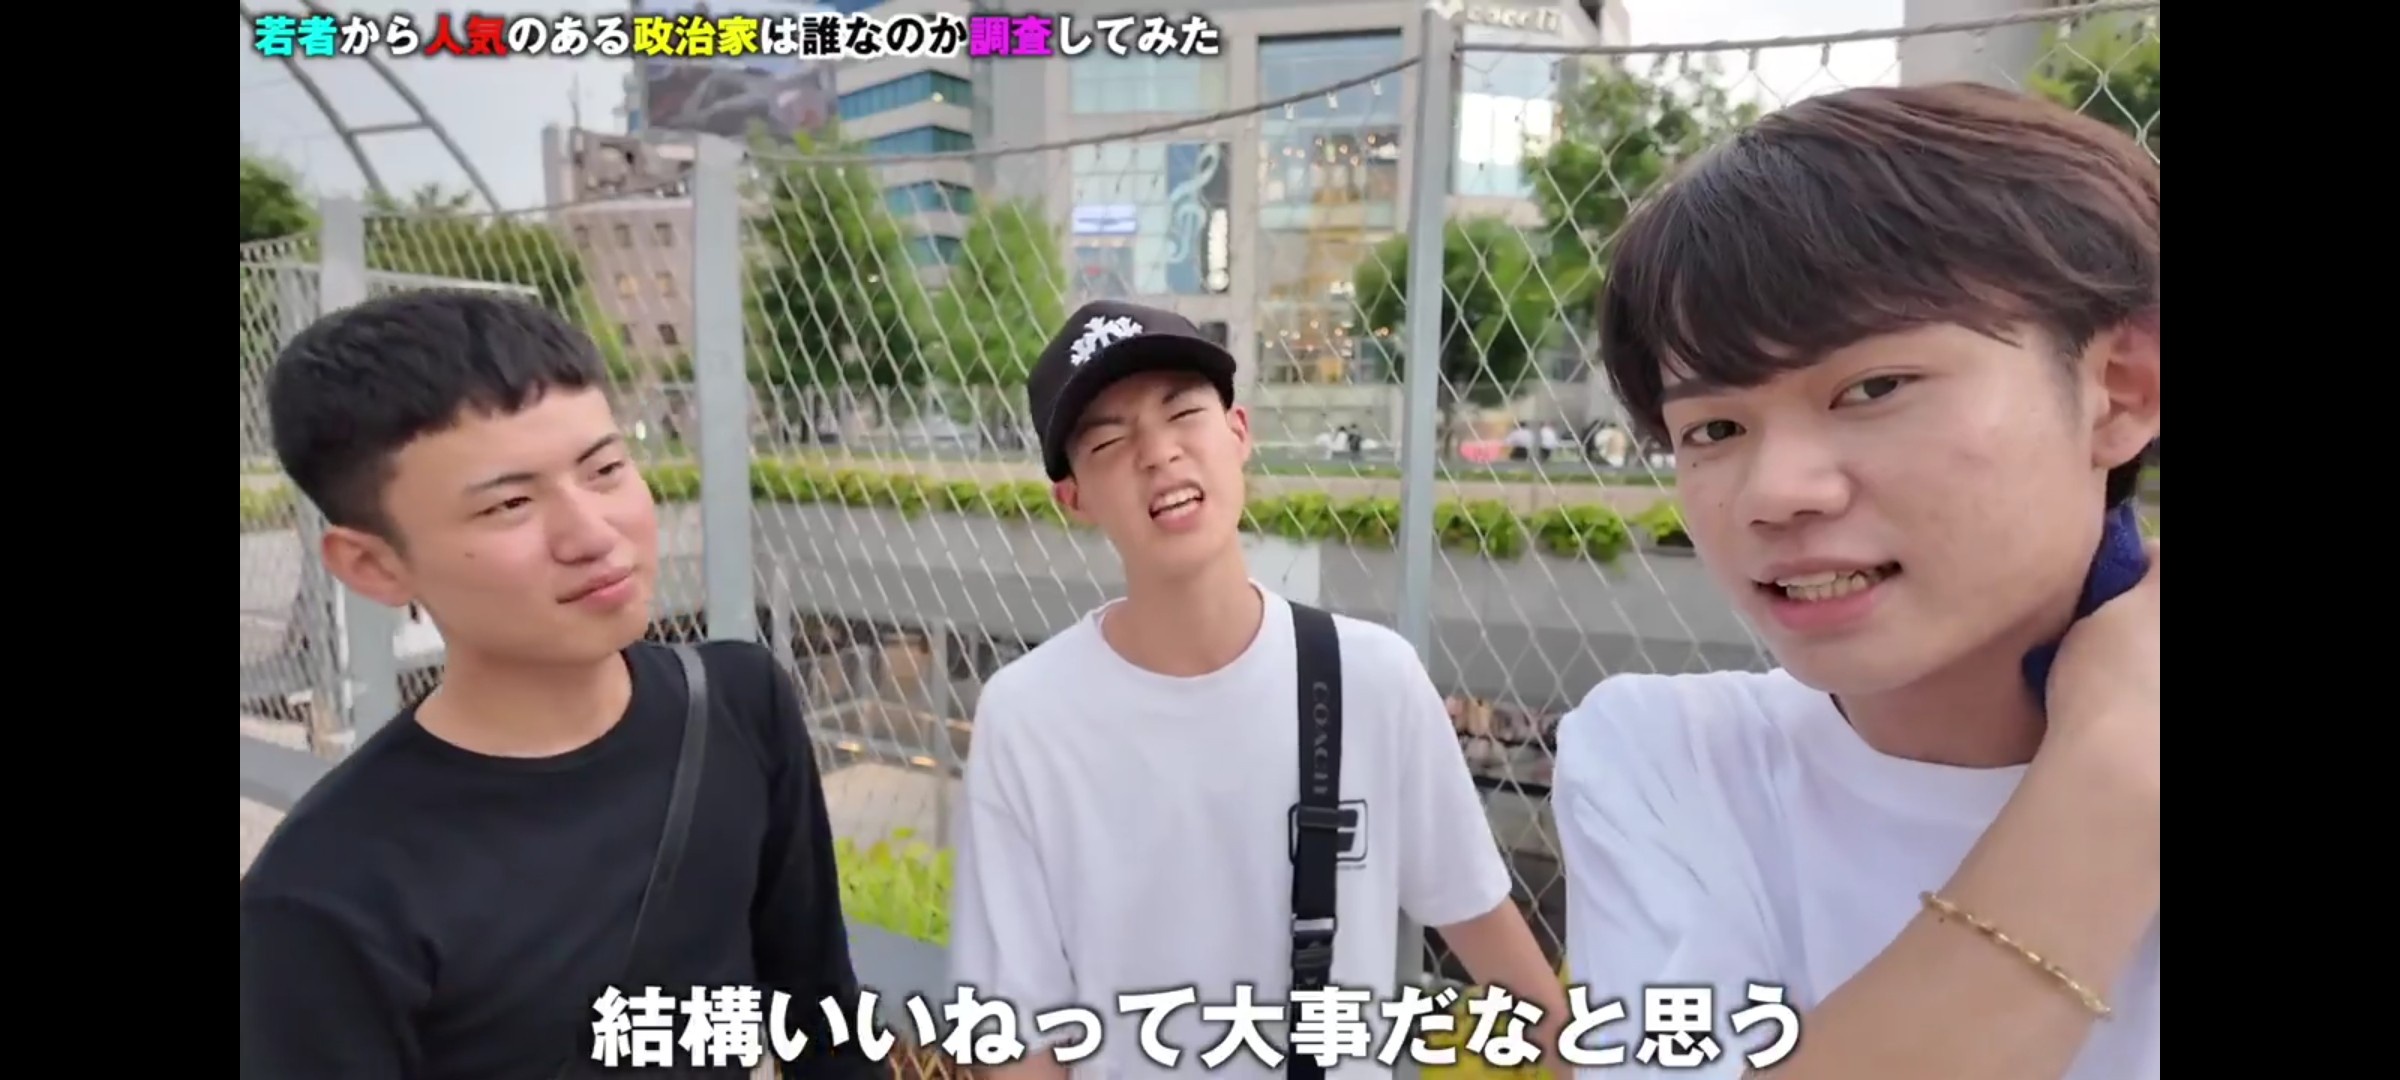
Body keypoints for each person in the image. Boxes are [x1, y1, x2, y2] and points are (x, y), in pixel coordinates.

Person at [1552, 83, 2159, 1080]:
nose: (1774, 493)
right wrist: (2117, 764)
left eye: (1874, 388)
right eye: (1715, 428)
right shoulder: (1674, 764)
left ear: (2119, 391)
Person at [239, 291, 871, 1080]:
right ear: (373, 564)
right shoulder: (325, 899)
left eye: (605, 470)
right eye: (510, 504)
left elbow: (821, 1017)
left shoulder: (740, 701)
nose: (593, 534)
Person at [949, 301, 1566, 1080]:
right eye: (1108, 441)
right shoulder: (1027, 716)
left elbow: (1491, 940)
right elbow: (1019, 1034)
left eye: (1184, 412)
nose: (1158, 452)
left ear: (1239, 432)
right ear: (1074, 499)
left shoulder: (1370, 679)